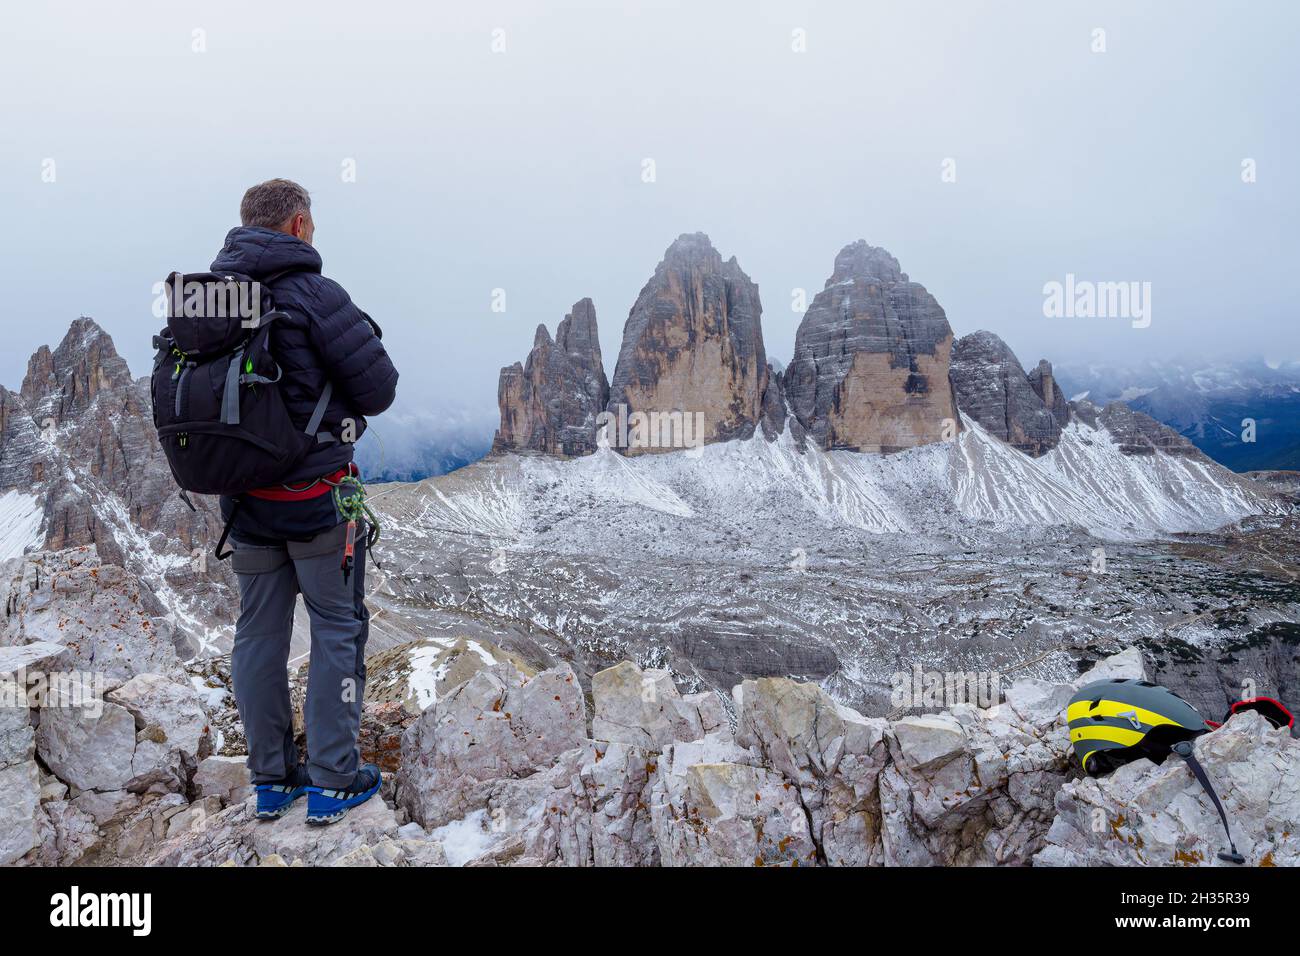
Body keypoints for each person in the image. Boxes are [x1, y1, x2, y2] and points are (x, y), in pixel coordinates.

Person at [212, 179, 398, 824]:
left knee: (258, 634)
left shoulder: (209, 299)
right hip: (317, 498)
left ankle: (271, 780)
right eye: (312, 224)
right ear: (297, 226)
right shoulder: (315, 294)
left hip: (244, 504)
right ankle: (333, 779)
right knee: (337, 627)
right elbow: (378, 389)